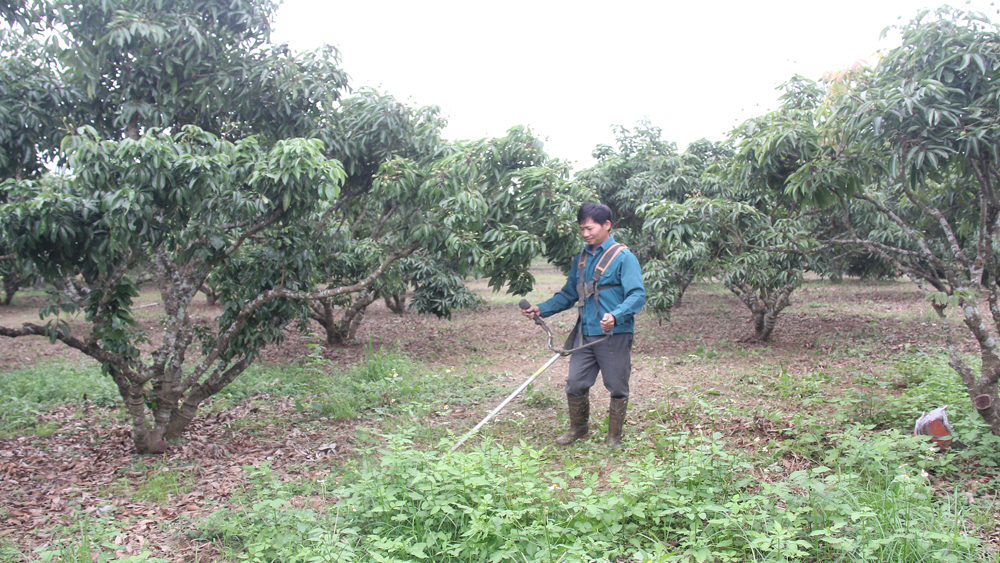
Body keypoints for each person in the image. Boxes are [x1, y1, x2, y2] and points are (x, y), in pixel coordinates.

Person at [520, 202, 645, 448]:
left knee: (617, 386)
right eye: (582, 229)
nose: (586, 234)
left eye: (590, 228)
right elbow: (569, 294)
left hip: (613, 334)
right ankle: (579, 429)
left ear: (606, 225)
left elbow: (637, 295)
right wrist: (541, 308)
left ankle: (614, 437)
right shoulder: (581, 258)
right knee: (575, 383)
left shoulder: (623, 258)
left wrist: (616, 315)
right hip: (585, 333)